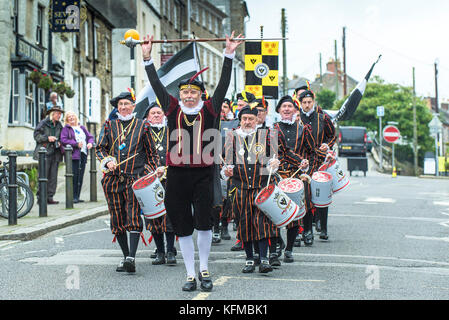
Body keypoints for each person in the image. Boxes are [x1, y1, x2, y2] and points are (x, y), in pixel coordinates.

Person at [141, 31, 244, 292]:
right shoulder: (172, 107)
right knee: (183, 226)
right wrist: (146, 58)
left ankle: (204, 269)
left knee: (204, 223)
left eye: (193, 92)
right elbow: (155, 84)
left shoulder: (210, 108)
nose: (188, 96)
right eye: (185, 92)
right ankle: (189, 274)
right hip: (176, 175)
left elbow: (223, 84)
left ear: (201, 94)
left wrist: (229, 54)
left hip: (204, 174)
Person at [96, 91, 165, 274]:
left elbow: (153, 155)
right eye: (120, 105)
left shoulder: (143, 126)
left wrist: (147, 174)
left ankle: (132, 258)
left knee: (133, 217)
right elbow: (100, 148)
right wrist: (107, 161)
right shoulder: (109, 125)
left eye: (127, 104)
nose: (124, 107)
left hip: (135, 180)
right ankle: (125, 255)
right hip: (113, 180)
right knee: (117, 219)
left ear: (133, 106)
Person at [273, 95, 315, 262]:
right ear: (278, 110)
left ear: (295, 110)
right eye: (283, 106)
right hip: (277, 175)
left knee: (294, 215)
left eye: (290, 106)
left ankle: (289, 249)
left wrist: (308, 172)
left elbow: (313, 152)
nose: (287, 109)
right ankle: (277, 245)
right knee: (274, 213)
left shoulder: (303, 129)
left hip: (297, 176)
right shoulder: (272, 129)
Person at [298, 90, 336, 244]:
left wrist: (328, 145)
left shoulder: (323, 118)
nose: (307, 105)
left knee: (322, 193)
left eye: (309, 102)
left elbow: (332, 135)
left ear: (313, 102)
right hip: (303, 162)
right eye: (304, 103)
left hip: (320, 161)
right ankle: (307, 230)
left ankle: (324, 227)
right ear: (300, 104)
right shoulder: (297, 119)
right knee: (306, 196)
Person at [143, 101, 177, 266]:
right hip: (150, 181)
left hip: (170, 179)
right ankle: (160, 252)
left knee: (169, 216)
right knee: (154, 217)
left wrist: (168, 168)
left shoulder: (172, 131)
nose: (156, 115)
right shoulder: (144, 132)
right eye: (153, 113)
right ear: (148, 117)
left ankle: (170, 251)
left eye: (159, 113)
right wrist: (151, 170)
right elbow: (139, 156)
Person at [60, 111, 95, 203]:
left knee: (80, 176)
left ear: (76, 118)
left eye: (73, 116)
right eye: (69, 117)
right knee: (74, 176)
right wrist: (75, 144)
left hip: (83, 154)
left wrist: (90, 143)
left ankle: (77, 196)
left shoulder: (82, 127)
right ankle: (72, 197)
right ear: (67, 119)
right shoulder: (66, 129)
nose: (71, 118)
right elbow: (63, 140)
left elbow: (90, 136)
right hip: (73, 155)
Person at [33, 106, 64, 204]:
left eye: (60, 114)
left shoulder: (59, 125)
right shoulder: (44, 123)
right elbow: (36, 136)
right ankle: (41, 198)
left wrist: (59, 142)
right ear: (52, 114)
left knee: (53, 177)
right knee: (43, 176)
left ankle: (50, 198)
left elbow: (61, 137)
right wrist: (47, 138)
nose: (59, 115)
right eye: (57, 113)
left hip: (56, 153)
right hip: (44, 153)